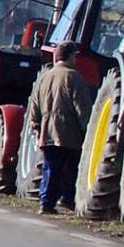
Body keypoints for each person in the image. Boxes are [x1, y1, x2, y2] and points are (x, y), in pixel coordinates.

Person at [28, 42, 93, 215]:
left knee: (50, 168)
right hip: (69, 134)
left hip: (47, 133)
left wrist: (36, 125)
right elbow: (83, 109)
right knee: (70, 168)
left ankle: (46, 203)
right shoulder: (75, 78)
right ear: (71, 56)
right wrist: (88, 131)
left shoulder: (45, 77)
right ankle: (66, 199)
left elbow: (34, 106)